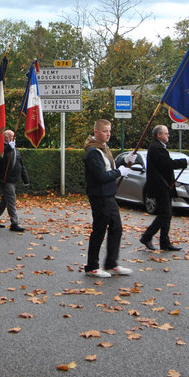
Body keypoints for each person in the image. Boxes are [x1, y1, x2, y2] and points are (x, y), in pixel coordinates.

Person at [83, 119, 134, 278]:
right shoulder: (93, 151)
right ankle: (92, 267)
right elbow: (101, 175)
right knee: (99, 230)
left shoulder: (102, 149)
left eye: (109, 131)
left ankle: (111, 263)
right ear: (96, 132)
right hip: (100, 196)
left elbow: (109, 166)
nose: (108, 134)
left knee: (116, 228)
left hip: (109, 195)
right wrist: (120, 172)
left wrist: (123, 161)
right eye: (105, 131)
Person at [140, 125, 188, 251]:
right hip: (160, 186)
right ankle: (147, 236)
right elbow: (167, 164)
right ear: (159, 135)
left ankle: (164, 242)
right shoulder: (156, 147)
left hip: (164, 185)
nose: (168, 135)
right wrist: (184, 162)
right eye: (166, 133)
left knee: (167, 214)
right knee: (164, 214)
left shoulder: (159, 147)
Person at [0, 129, 29, 232]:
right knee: (11, 199)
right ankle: (14, 223)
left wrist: (25, 179)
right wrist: (8, 149)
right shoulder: (0, 147)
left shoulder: (14, 148)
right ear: (6, 137)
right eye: (12, 136)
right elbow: (1, 160)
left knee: (5, 200)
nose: (14, 138)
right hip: (4, 179)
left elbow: (21, 164)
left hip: (13, 178)